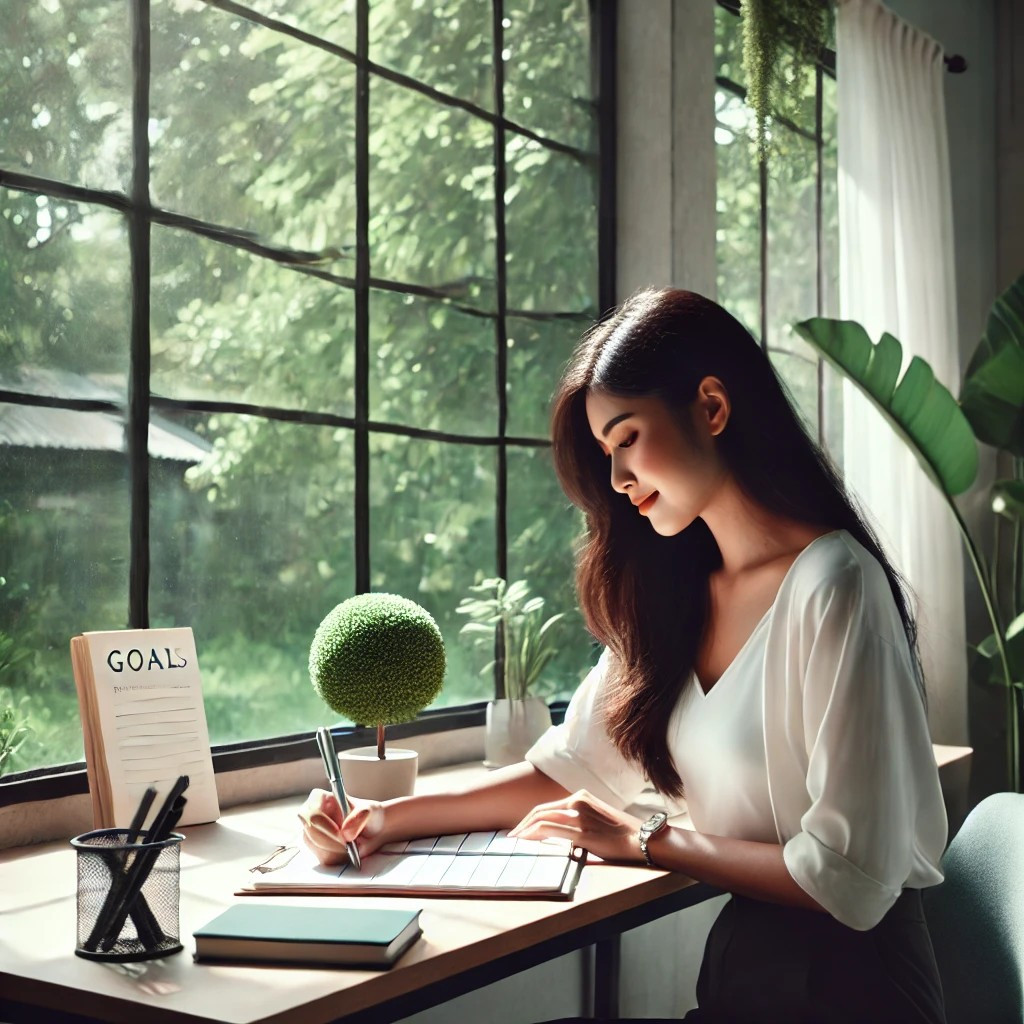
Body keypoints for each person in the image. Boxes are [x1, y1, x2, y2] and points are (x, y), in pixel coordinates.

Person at [299, 288, 948, 1024]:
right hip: (743, 973)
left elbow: (849, 881)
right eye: (607, 454)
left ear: (711, 407)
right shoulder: (678, 598)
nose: (616, 480)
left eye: (627, 438)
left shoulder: (836, 584)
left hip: (856, 991)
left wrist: (645, 838)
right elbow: (568, 770)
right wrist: (384, 818)